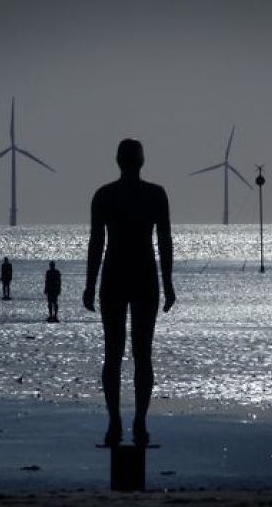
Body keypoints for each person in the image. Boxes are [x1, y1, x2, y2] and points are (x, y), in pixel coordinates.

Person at [83, 138, 175, 447]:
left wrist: (89, 284)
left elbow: (97, 243)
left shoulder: (104, 196)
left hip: (115, 276)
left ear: (118, 161)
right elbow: (164, 242)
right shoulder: (155, 195)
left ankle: (117, 423)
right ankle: (137, 422)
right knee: (141, 354)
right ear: (141, 161)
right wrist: (169, 282)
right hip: (144, 277)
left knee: (115, 354)